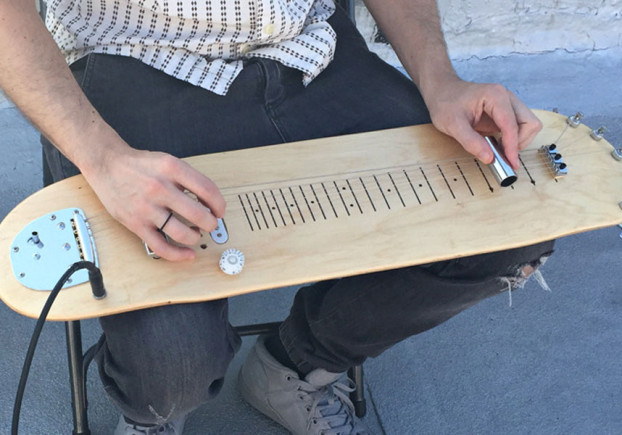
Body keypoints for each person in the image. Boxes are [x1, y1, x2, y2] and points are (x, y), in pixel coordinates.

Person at [0, 0, 554, 433]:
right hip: (130, 61)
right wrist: (102, 158)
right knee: (172, 368)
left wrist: (442, 81)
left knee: (507, 229)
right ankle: (155, 413)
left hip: (310, 52)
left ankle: (295, 365)